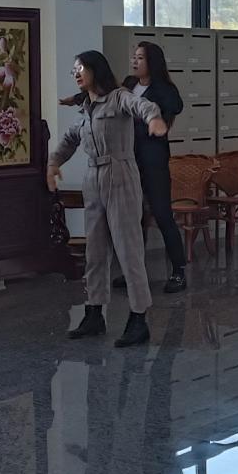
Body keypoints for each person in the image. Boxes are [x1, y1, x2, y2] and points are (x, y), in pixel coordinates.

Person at [46, 50, 167, 346]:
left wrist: (154, 119)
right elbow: (71, 138)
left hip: (120, 174)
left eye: (80, 68)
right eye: (73, 70)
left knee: (128, 249)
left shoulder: (118, 97)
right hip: (94, 177)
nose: (76, 74)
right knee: (96, 251)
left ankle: (139, 317)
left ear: (95, 69)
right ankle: (94, 312)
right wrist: (53, 163)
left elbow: (141, 105)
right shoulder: (87, 107)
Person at [123, 40, 189, 294]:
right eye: (134, 56)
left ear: (152, 62)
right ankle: (134, 271)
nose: (135, 61)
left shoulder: (163, 88)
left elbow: (177, 106)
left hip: (153, 158)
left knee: (162, 214)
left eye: (140, 57)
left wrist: (156, 110)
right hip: (130, 157)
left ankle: (178, 271)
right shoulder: (129, 84)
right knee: (133, 218)